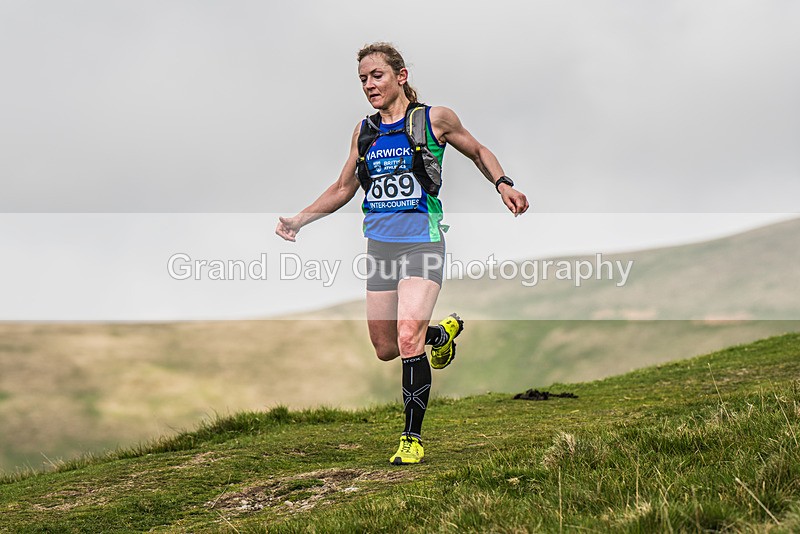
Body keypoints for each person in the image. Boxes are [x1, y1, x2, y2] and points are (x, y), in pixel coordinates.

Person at [276, 42, 528, 465]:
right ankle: (440, 334)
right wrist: (300, 220)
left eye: (376, 76)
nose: (369, 85)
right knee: (386, 346)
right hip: (380, 247)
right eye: (362, 80)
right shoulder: (365, 131)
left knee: (407, 335)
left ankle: (411, 438)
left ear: (401, 76)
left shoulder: (434, 119)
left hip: (422, 241)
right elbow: (343, 188)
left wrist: (503, 183)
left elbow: (479, 151)